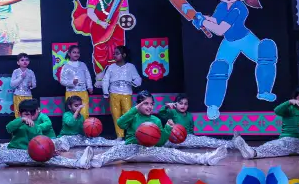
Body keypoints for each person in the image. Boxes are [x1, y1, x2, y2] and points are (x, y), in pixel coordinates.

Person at [189, 0, 278, 120]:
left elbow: (220, 29)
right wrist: (202, 18)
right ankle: (213, 105)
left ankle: (264, 91)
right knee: (219, 67)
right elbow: (216, 20)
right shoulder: (221, 7)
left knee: (267, 49)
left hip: (245, 39)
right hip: (229, 43)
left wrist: (203, 22)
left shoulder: (239, 8)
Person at [90, 91, 228, 167]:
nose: (149, 107)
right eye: (145, 104)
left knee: (174, 154)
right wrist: (135, 109)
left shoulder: (155, 120)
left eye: (151, 104)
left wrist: (167, 129)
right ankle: (90, 161)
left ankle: (205, 159)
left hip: (150, 150)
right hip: (131, 149)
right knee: (112, 152)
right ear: (138, 105)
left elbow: (160, 142)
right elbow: (120, 123)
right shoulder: (133, 116)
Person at [0, 99, 93, 172]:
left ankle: (79, 163)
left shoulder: (36, 127)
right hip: (12, 152)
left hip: (28, 155)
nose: (28, 117)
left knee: (53, 159)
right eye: (25, 114)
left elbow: (41, 141)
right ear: (20, 113)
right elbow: (8, 128)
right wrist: (21, 120)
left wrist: (50, 151)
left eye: (31, 115)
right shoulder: (18, 123)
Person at [72, 0, 132, 83]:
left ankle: (117, 77)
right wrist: (100, 22)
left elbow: (124, 14)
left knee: (117, 51)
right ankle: (100, 77)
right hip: (99, 29)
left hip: (116, 29)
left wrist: (123, 20)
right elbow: (90, 13)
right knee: (100, 52)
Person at [157, 94, 232, 149]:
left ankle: (230, 144)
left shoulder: (189, 115)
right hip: (175, 139)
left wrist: (193, 138)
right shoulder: (173, 112)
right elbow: (161, 113)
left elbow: (191, 128)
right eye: (181, 103)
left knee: (205, 140)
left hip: (187, 138)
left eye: (185, 104)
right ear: (175, 104)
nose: (183, 106)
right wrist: (166, 106)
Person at [102, 45, 142, 138]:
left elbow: (138, 79)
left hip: (126, 93)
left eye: (117, 53)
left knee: (128, 114)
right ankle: (119, 136)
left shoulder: (130, 67)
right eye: (114, 54)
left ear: (123, 55)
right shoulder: (111, 67)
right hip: (114, 93)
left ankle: (129, 135)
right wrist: (106, 92)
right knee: (116, 115)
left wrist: (133, 82)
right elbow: (105, 80)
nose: (114, 55)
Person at [54, 96, 120, 151]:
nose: (79, 107)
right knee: (61, 144)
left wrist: (89, 134)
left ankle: (117, 143)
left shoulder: (81, 117)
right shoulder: (66, 114)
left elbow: (82, 129)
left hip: (77, 137)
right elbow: (71, 123)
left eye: (80, 105)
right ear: (70, 107)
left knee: (96, 140)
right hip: (66, 137)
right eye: (76, 106)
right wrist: (77, 111)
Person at [59, 45, 92, 119]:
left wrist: (89, 86)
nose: (76, 54)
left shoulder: (83, 65)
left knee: (84, 113)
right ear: (69, 53)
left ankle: (84, 126)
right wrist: (72, 83)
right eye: (74, 52)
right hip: (71, 93)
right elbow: (62, 81)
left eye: (78, 52)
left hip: (83, 92)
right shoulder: (66, 66)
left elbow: (87, 77)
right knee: (72, 114)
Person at [10, 53, 37, 118]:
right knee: (18, 113)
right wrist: (21, 77)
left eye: (26, 60)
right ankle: (19, 124)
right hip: (18, 95)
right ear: (18, 62)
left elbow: (34, 84)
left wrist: (31, 85)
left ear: (29, 62)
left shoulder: (31, 72)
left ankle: (28, 123)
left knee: (29, 112)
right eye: (22, 60)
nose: (25, 62)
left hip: (28, 95)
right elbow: (12, 84)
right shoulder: (16, 72)